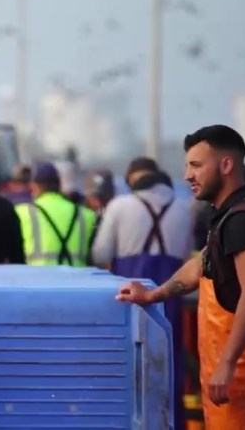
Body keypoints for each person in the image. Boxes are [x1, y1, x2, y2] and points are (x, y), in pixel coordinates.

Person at [116, 124, 245, 429]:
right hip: (233, 383)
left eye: (196, 165)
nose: (187, 175)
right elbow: (200, 265)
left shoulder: (244, 221)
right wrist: (154, 294)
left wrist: (227, 364)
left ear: (226, 165)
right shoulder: (226, 217)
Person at [91, 156, 194, 430]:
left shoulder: (119, 206)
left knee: (127, 365)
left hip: (128, 295)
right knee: (169, 364)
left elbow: (100, 254)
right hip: (171, 294)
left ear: (132, 181)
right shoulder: (184, 209)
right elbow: (187, 256)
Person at [14, 161, 97, 266]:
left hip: (37, 280)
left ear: (34, 186)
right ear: (59, 185)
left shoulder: (21, 212)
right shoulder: (86, 215)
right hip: (77, 280)